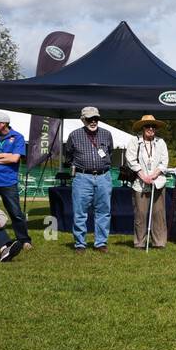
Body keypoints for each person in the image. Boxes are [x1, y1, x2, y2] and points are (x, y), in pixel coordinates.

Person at [64, 106, 114, 252]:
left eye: (96, 118)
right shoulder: (74, 135)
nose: (93, 121)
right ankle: (80, 244)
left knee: (104, 211)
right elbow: (69, 156)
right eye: (89, 119)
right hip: (82, 177)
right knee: (80, 212)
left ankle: (101, 243)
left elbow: (110, 152)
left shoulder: (107, 134)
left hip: (104, 176)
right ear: (83, 120)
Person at [0, 111, 32, 251]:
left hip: (8, 181)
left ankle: (24, 240)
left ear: (3, 124)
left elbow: (14, 159)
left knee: (15, 212)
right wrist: (4, 155)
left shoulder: (18, 137)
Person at [126, 115, 169, 248]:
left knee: (159, 213)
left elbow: (164, 161)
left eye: (153, 126)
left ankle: (159, 242)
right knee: (141, 214)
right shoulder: (135, 141)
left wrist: (155, 175)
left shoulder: (161, 142)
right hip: (140, 182)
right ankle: (139, 242)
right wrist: (143, 176)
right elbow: (130, 160)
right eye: (147, 126)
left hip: (158, 182)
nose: (151, 128)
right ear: (142, 128)